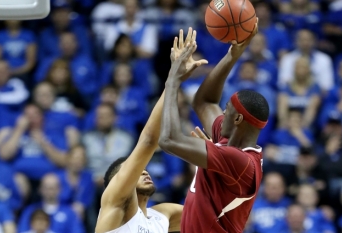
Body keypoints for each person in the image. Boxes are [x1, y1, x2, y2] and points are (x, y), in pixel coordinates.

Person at [94, 28, 207, 233]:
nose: (143, 170)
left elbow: (209, 217)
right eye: (133, 170)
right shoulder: (115, 205)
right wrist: (174, 78)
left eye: (141, 169)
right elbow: (148, 141)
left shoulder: (161, 215)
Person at [158, 23, 268, 232]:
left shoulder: (242, 163)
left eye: (226, 110)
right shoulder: (228, 141)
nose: (222, 113)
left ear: (237, 121)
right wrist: (233, 55)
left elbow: (168, 140)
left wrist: (173, 79)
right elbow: (204, 102)